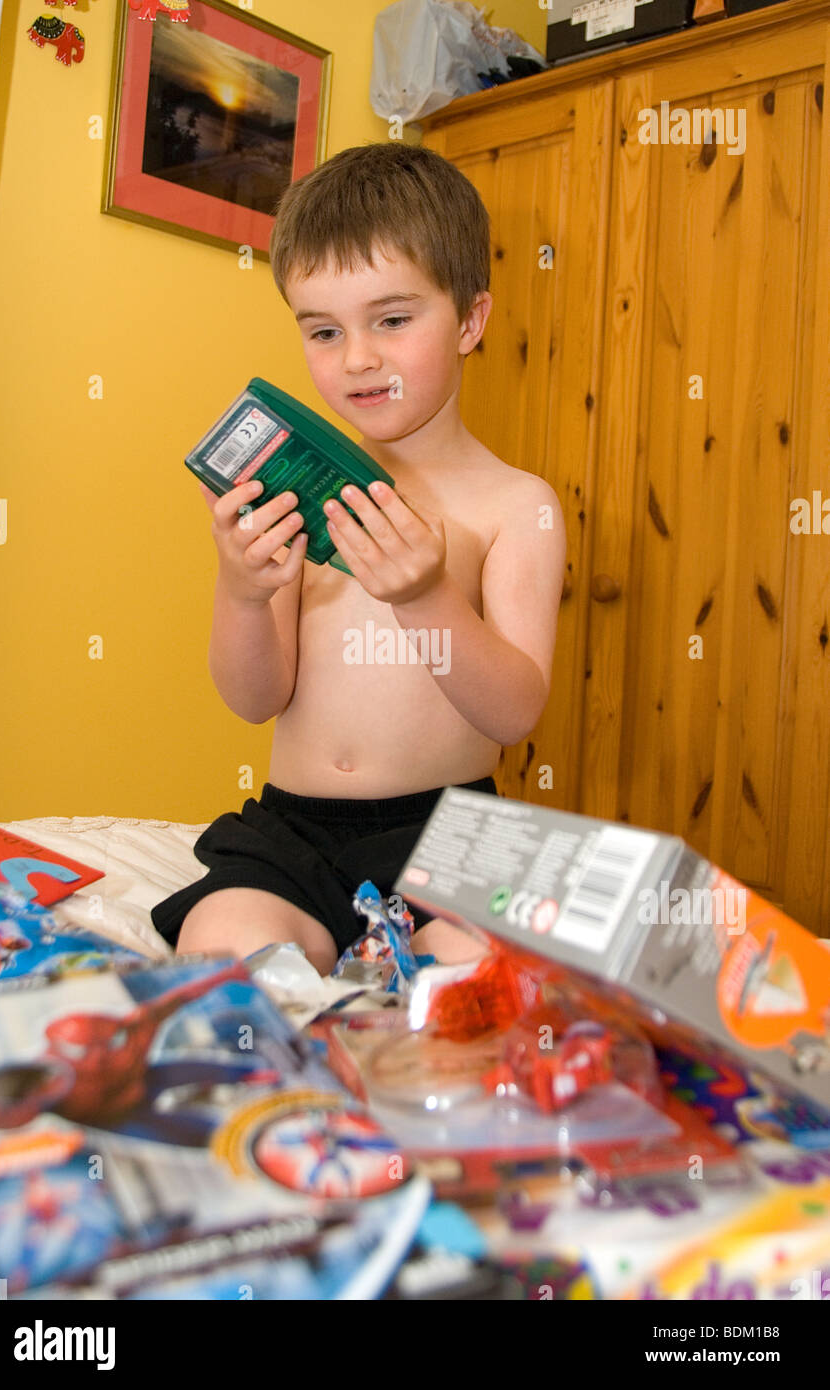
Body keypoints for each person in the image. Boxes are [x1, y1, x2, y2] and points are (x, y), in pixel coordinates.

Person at [151, 143, 566, 974]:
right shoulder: (297, 486)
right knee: (223, 952)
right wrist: (240, 589)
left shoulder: (518, 506)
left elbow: (515, 713)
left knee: (492, 975)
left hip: (447, 832)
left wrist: (425, 598)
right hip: (292, 828)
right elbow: (254, 696)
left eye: (393, 319)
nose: (357, 358)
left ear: (471, 321)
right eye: (324, 331)